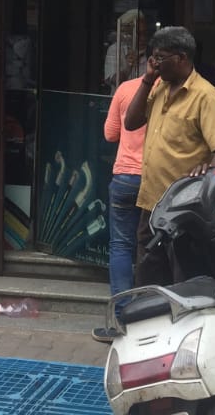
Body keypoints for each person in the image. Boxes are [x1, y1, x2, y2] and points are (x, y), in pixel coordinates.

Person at [123, 25, 215, 288]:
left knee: (182, 278)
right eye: (153, 57)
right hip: (151, 204)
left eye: (160, 58)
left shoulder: (205, 95)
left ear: (182, 58)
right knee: (148, 278)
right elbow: (131, 122)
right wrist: (147, 80)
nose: (154, 63)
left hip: (183, 210)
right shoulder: (159, 87)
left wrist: (205, 180)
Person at [93, 66, 148, 343]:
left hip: (126, 176)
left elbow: (110, 134)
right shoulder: (173, 91)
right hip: (158, 179)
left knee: (121, 246)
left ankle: (123, 321)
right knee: (153, 247)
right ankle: (152, 319)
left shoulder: (126, 89)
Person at [103, 9, 149, 91]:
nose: (143, 38)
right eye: (138, 34)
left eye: (145, 33)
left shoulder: (152, 51)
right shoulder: (116, 49)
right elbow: (115, 81)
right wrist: (129, 66)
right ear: (127, 34)